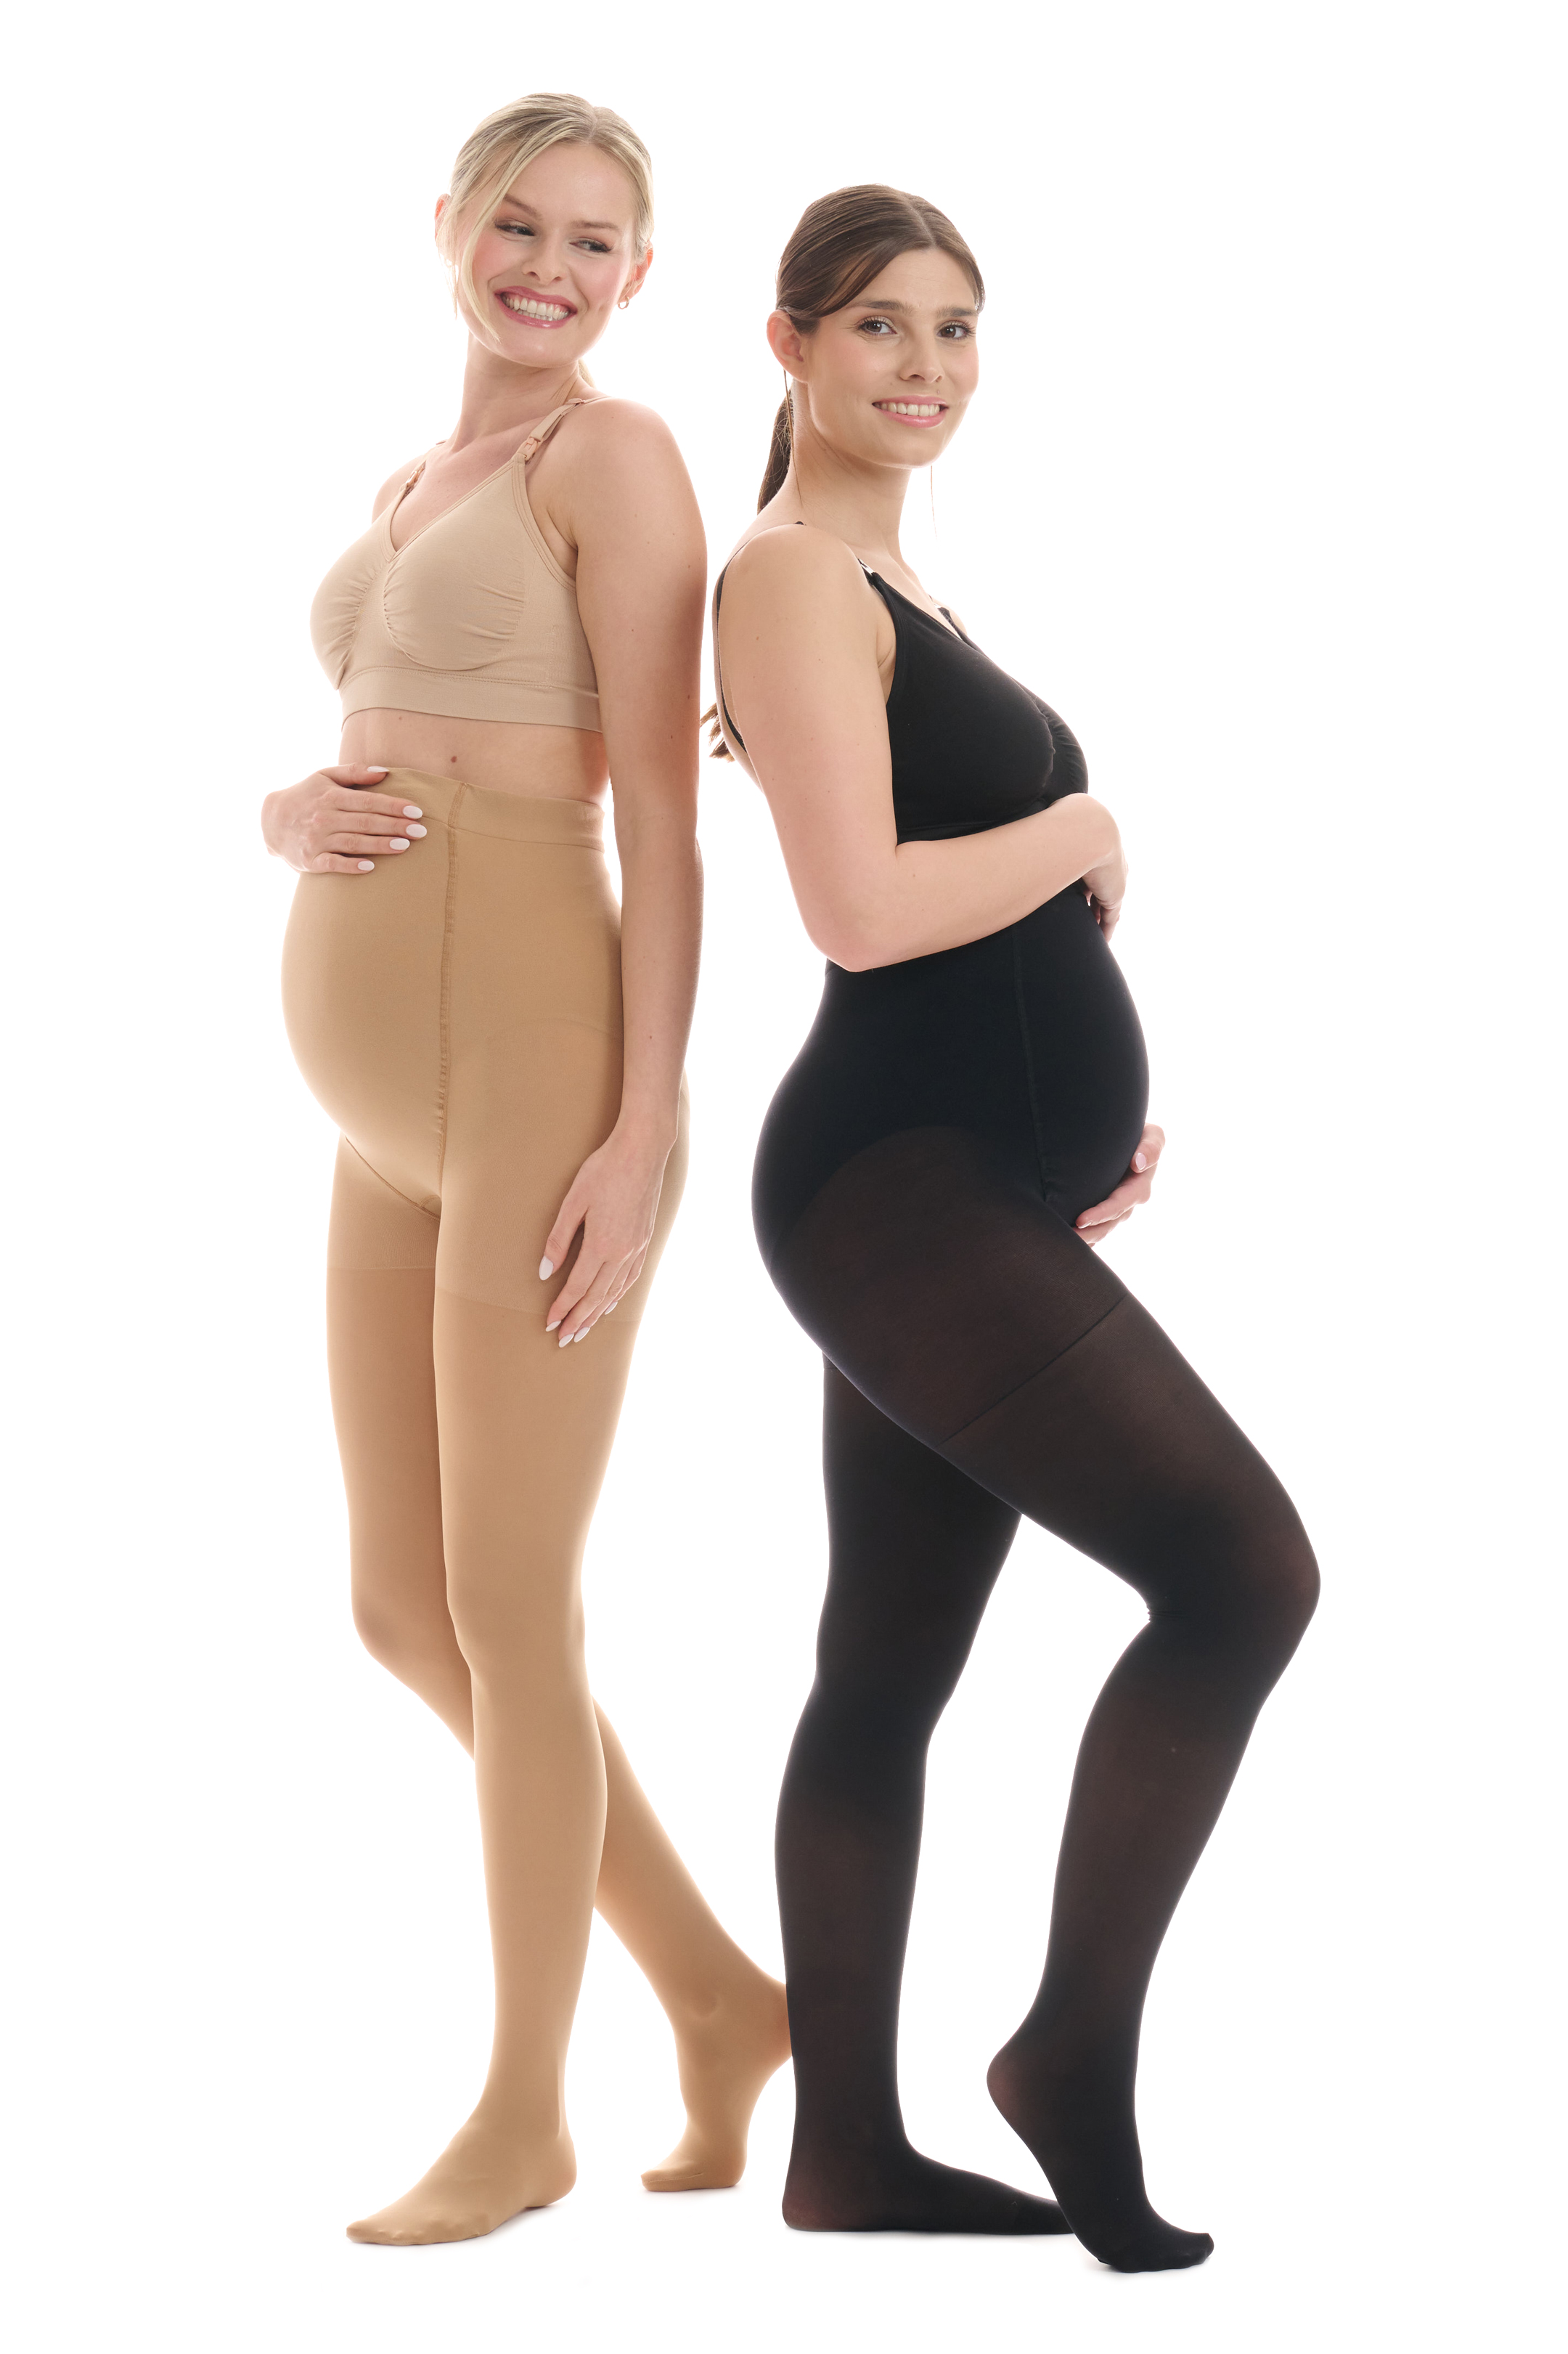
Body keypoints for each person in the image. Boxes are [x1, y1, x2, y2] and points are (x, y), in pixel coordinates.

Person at [711, 184, 1319, 2271]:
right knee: (1242, 1575)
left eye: (957, 329)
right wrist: (1081, 827)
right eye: (881, 325)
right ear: (790, 345)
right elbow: (861, 911)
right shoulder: (789, 575)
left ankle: (848, 2150)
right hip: (890, 1189)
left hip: (970, 1192)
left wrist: (1077, 1135)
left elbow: (969, 937)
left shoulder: (902, 587)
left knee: (882, 1664)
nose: (926, 367)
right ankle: (1067, 2056)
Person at [264, 92, 787, 2247]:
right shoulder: (415, 478)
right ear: (450, 226)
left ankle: (524, 2111)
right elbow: (387, 724)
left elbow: (663, 817)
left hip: (543, 1078)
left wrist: (642, 1127)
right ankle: (723, 1998)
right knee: (405, 1603)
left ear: (638, 279)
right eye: (517, 224)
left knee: (510, 1600)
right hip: (381, 1119)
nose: (547, 269)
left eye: (591, 242)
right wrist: (286, 811)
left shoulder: (617, 455)